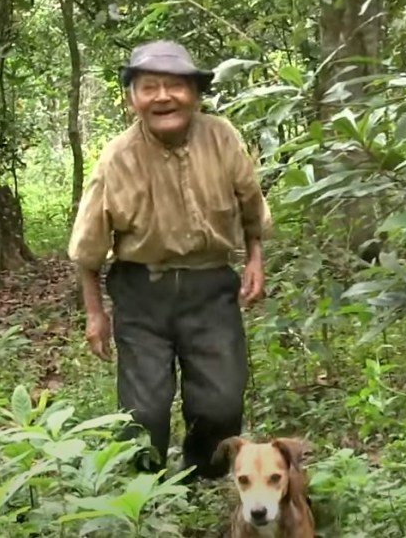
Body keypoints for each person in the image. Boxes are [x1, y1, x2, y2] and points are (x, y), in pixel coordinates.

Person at [67, 40, 272, 481]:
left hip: (210, 288)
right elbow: (88, 248)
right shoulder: (117, 158)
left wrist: (255, 258)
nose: (163, 96)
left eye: (175, 86)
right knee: (142, 412)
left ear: (195, 94)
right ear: (133, 99)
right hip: (143, 293)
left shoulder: (222, 137)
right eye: (149, 87)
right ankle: (146, 493)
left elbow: (251, 207)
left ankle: (202, 478)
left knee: (221, 403)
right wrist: (94, 314)